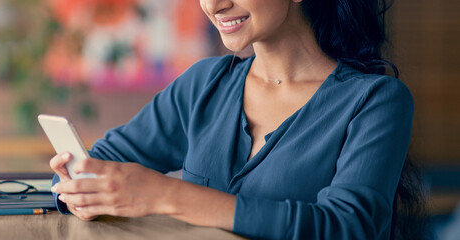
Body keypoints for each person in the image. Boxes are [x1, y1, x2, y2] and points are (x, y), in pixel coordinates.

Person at [49, 0, 427, 239]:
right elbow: (95, 162)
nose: (214, 5)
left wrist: (167, 195)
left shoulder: (376, 101)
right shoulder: (203, 85)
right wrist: (77, 191)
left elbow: (347, 227)